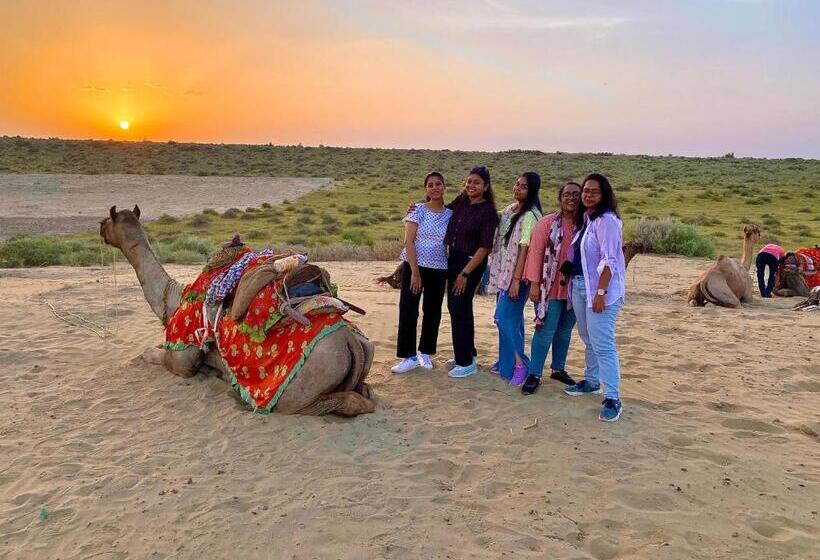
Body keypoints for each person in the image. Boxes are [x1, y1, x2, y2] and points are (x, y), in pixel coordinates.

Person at [564, 173, 626, 423]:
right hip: (582, 287)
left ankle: (613, 397)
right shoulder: (589, 220)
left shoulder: (607, 221)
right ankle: (592, 380)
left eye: (594, 191)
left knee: (603, 342)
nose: (588, 195)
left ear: (604, 195)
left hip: (602, 292)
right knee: (588, 337)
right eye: (585, 191)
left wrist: (600, 292)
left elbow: (609, 260)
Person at [520, 181, 582, 395]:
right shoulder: (547, 223)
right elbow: (535, 254)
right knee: (545, 330)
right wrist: (534, 285)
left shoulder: (586, 224)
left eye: (576, 194)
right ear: (560, 198)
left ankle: (558, 369)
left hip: (576, 287)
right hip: (550, 286)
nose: (571, 198)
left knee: (565, 330)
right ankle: (535, 373)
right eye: (567, 194)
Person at [391, 172, 453, 373]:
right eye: (430, 185)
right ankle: (408, 357)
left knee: (432, 311)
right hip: (414, 267)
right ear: (425, 189)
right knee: (408, 309)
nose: (434, 188)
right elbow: (409, 241)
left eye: (438, 184)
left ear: (444, 187)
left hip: (439, 268)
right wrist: (415, 272)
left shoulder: (450, 214)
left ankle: (425, 353)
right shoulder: (417, 209)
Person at [487, 172, 542, 384]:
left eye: (524, 186)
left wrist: (516, 280)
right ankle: (506, 361)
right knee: (513, 320)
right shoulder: (512, 210)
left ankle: (520, 364)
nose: (517, 188)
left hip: (517, 278)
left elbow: (524, 249)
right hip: (505, 274)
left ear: (532, 191)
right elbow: (492, 216)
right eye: (517, 184)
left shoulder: (529, 216)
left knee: (502, 318)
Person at [444, 166, 499, 378]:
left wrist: (465, 273)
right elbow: (443, 211)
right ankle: (467, 354)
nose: (471, 186)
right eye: (469, 182)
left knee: (459, 308)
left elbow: (485, 247)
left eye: (476, 183)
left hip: (470, 264)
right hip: (454, 258)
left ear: (485, 186)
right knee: (458, 307)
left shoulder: (487, 212)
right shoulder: (462, 201)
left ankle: (466, 363)